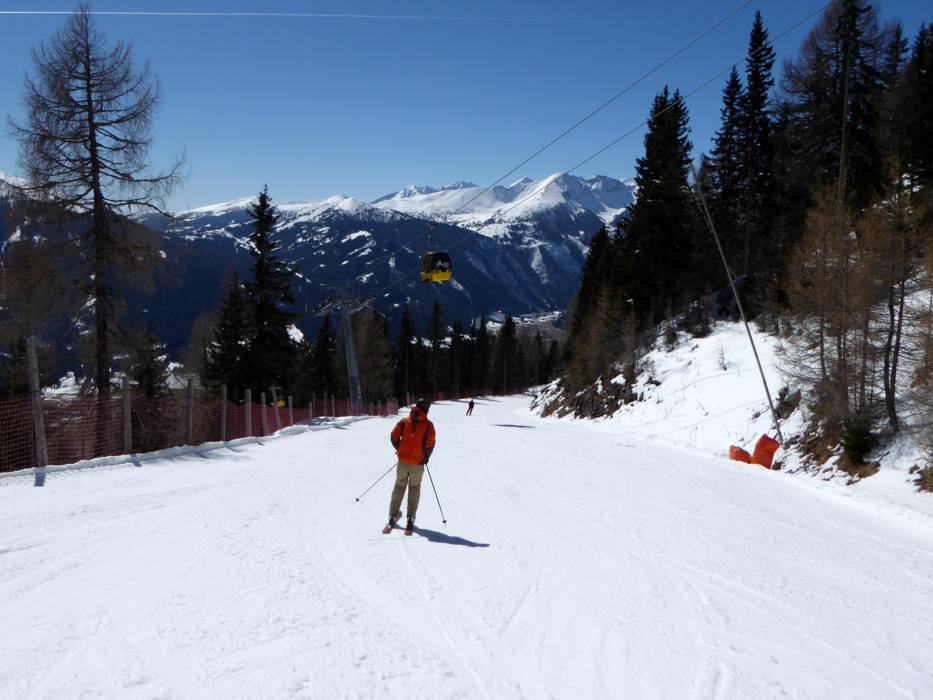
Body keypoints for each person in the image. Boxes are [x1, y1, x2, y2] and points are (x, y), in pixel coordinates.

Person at [386, 398, 436, 534]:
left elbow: (393, 436)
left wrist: (401, 450)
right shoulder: (428, 425)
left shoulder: (404, 421)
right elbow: (430, 444)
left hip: (403, 463)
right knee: (414, 488)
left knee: (399, 486)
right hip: (417, 464)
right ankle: (410, 518)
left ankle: (392, 515)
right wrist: (425, 458)